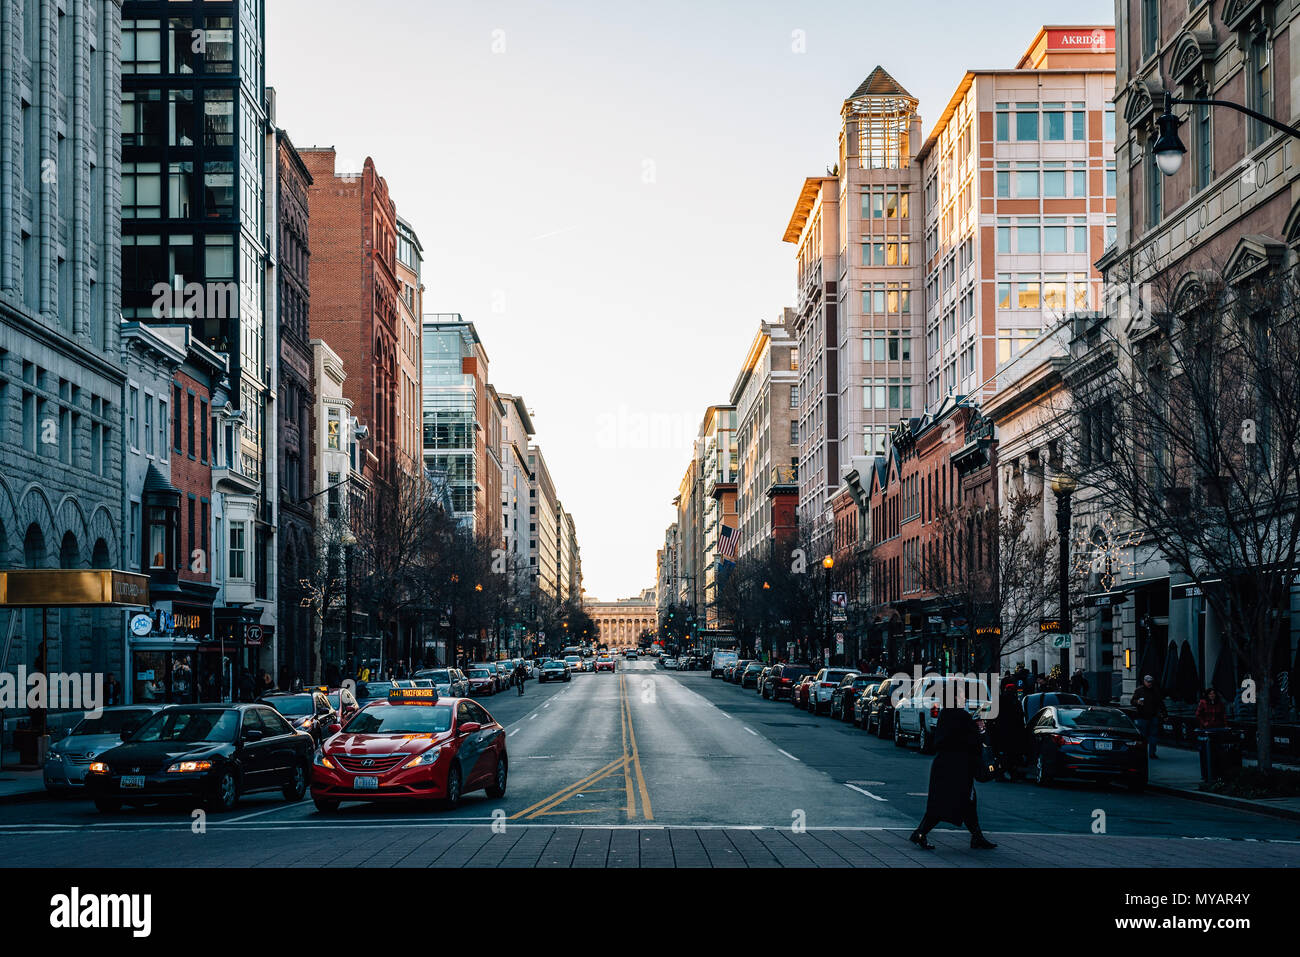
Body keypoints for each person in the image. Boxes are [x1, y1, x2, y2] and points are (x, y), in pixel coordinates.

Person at [909, 707, 997, 851]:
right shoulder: (961, 716)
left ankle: (977, 836)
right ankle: (920, 832)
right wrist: (980, 730)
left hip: (943, 766)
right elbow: (972, 741)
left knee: (959, 803)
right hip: (958, 768)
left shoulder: (945, 714)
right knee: (955, 802)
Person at [992, 682, 1026, 782]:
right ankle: (1011, 774)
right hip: (1013, 732)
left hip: (1001, 731)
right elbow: (1020, 716)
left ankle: (1000, 774)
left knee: (1002, 754)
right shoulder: (1015, 701)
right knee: (1012, 755)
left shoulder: (999, 700)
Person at [1131, 674, 1167, 758]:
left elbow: (1161, 703)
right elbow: (1132, 701)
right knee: (1143, 736)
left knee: (1153, 736)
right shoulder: (1139, 690)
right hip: (1142, 717)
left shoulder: (1155, 691)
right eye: (1148, 682)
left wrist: (1165, 714)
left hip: (1153, 716)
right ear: (1144, 681)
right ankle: (1142, 753)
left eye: (1150, 682)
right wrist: (1137, 702)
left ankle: (1152, 753)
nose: (1149, 683)